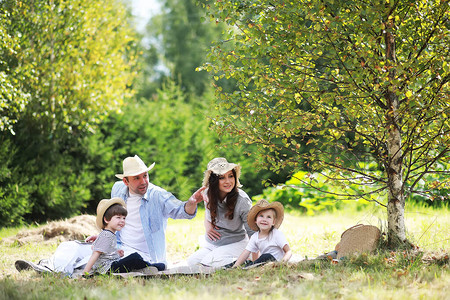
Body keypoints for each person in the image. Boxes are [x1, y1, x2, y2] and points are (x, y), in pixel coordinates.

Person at [87, 155, 205, 267]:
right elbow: (113, 221)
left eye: (145, 175)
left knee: (133, 261)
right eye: (137, 178)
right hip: (120, 250)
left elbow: (182, 211)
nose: (143, 181)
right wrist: (103, 238)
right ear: (126, 182)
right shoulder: (117, 190)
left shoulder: (158, 195)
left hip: (148, 257)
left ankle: (148, 266)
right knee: (85, 251)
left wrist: (191, 203)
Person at [187, 157, 255, 267]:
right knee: (192, 262)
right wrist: (208, 225)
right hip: (213, 244)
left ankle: (243, 260)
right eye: (222, 178)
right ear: (213, 180)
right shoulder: (207, 193)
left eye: (231, 176)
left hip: (236, 243)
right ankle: (229, 259)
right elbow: (207, 212)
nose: (228, 181)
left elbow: (253, 232)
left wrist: (257, 259)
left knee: (209, 262)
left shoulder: (242, 200)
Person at [83, 198, 165, 275]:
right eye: (118, 217)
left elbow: (106, 254)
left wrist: (117, 253)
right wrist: (85, 273)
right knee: (135, 257)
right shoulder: (107, 235)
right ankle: (149, 266)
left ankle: (144, 268)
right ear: (106, 219)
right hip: (107, 269)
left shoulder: (109, 234)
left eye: (124, 218)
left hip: (110, 266)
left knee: (131, 260)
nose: (122, 221)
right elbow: (95, 254)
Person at [231, 199, 292, 268]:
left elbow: (288, 251)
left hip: (274, 262)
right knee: (244, 260)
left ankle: (247, 267)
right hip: (263, 263)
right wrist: (237, 264)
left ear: (273, 222)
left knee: (266, 256)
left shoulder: (276, 234)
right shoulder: (255, 236)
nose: (264, 219)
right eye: (261, 216)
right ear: (255, 220)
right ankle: (233, 266)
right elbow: (246, 252)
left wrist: (282, 263)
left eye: (268, 217)